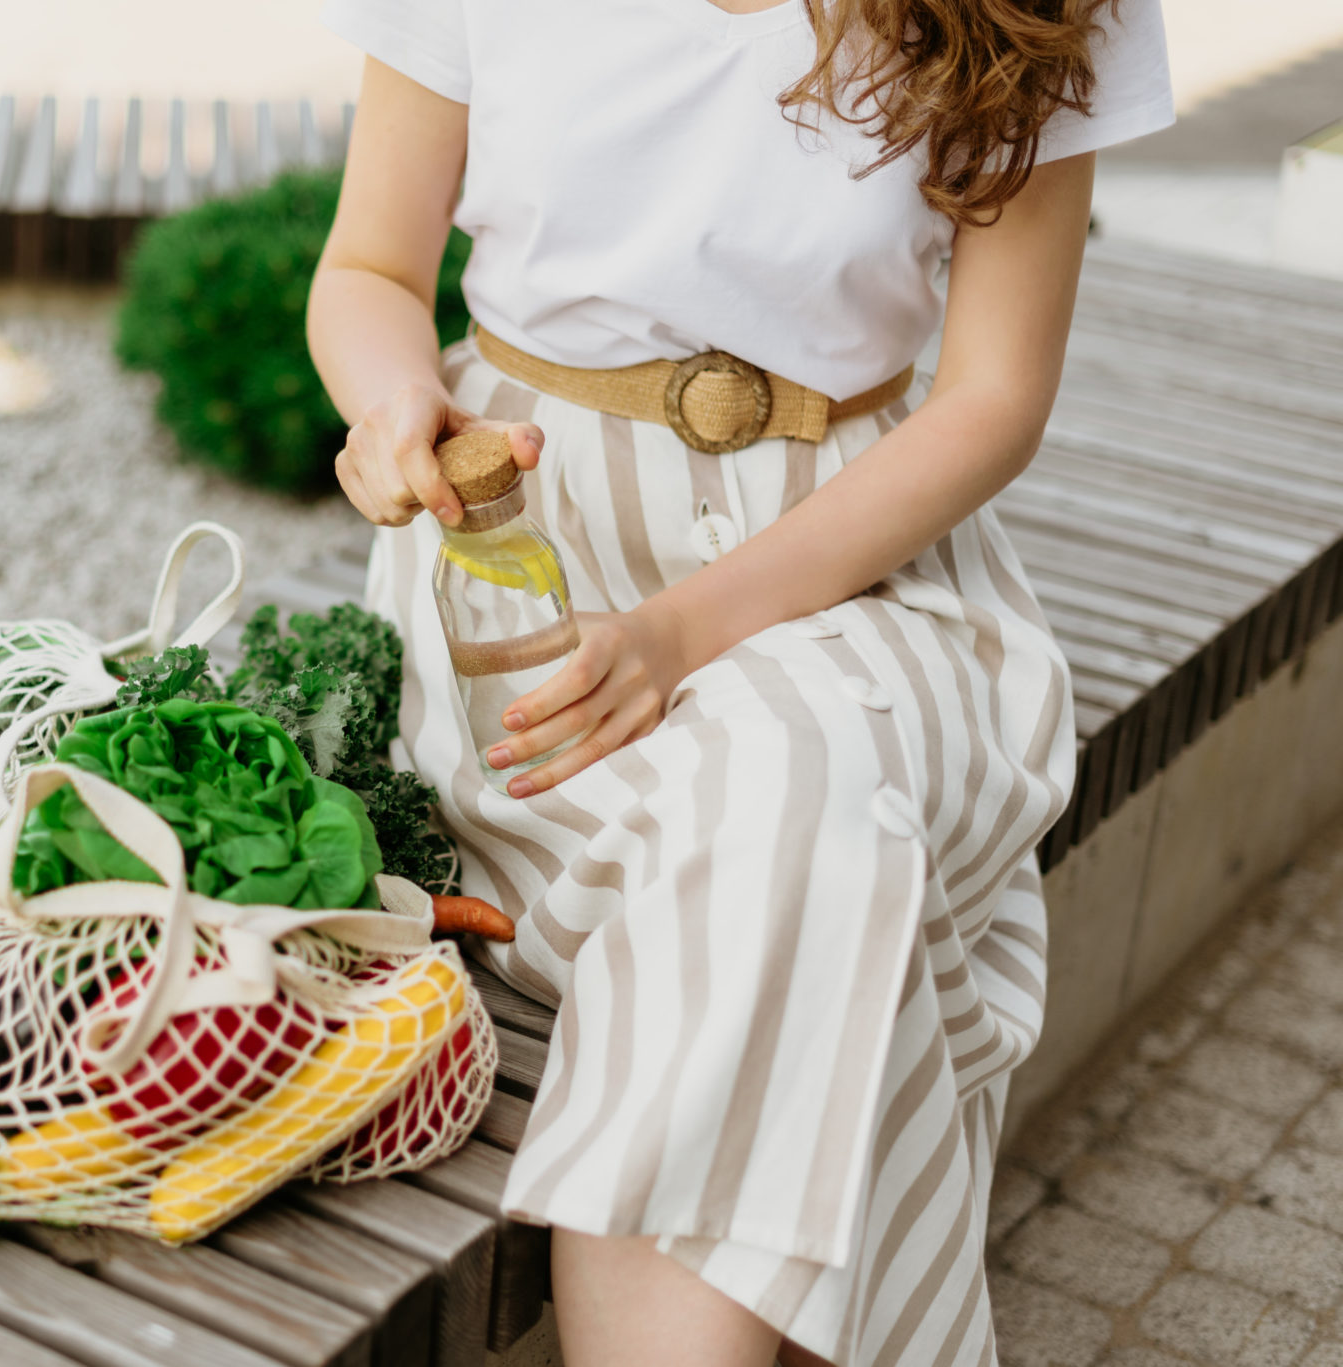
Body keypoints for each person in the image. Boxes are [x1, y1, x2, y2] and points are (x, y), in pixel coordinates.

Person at [305, 1, 1174, 1363]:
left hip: (851, 553)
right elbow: (366, 267)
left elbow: (994, 398)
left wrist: (687, 631)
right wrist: (389, 400)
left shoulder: (1045, 8)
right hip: (536, 555)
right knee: (811, 847)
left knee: (790, 786)